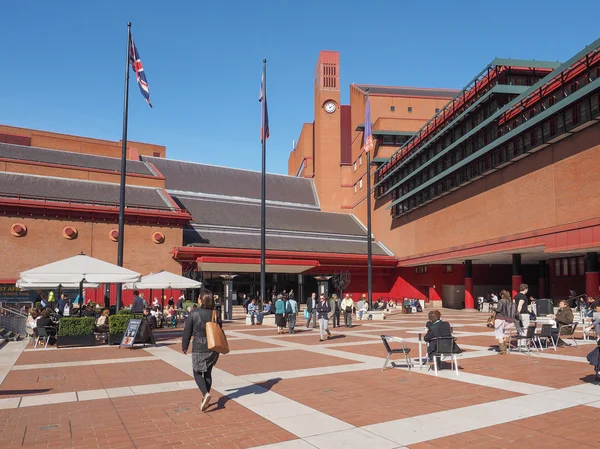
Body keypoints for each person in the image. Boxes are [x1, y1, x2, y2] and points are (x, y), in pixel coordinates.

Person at [182, 289, 220, 412]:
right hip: (212, 346)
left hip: (199, 346)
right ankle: (205, 397)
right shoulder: (215, 313)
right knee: (208, 372)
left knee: (197, 372)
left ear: (201, 299)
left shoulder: (194, 313)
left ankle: (205, 394)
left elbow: (187, 332)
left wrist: (184, 346)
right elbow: (219, 329)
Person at [494, 289, 519, 355]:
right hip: (509, 321)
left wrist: (493, 308)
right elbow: (517, 313)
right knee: (503, 334)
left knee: (499, 334)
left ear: (502, 295)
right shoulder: (513, 303)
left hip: (500, 319)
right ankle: (504, 347)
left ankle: (502, 350)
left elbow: (499, 309)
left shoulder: (501, 301)